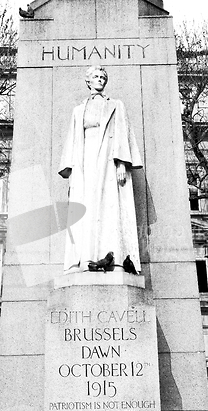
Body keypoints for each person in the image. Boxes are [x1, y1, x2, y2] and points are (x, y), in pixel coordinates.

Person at [58, 66, 142, 273]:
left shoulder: (116, 105)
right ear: (88, 82)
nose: (100, 80)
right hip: (85, 158)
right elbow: (73, 139)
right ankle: (85, 259)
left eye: (103, 77)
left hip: (107, 157)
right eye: (95, 77)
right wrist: (72, 170)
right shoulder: (79, 110)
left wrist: (122, 162)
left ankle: (113, 259)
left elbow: (122, 132)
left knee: (108, 205)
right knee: (86, 207)